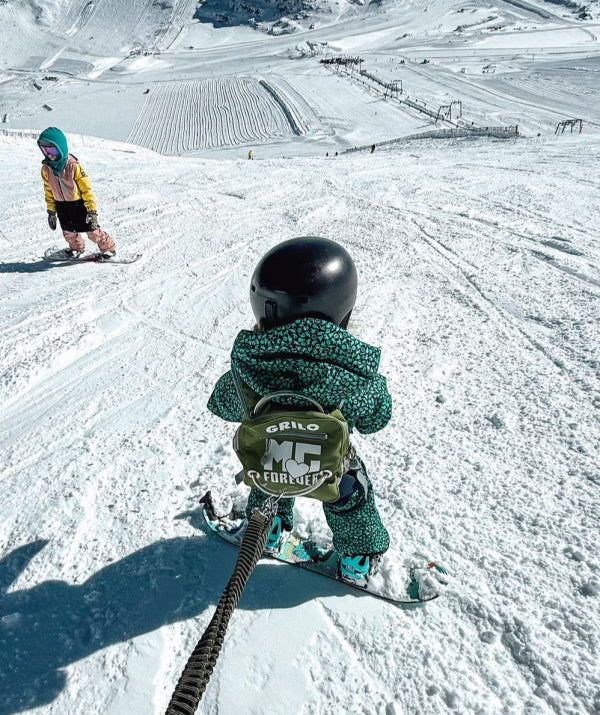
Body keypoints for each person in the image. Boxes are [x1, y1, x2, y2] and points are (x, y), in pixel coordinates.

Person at [207, 237, 391, 583]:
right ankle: (359, 559)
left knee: (266, 482)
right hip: (330, 471)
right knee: (353, 498)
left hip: (270, 464)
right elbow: (377, 416)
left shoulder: (247, 366)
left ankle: (268, 528)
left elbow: (223, 403)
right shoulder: (351, 373)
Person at [38, 127, 116, 259]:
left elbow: (86, 189)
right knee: (68, 232)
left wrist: (92, 211)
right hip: (61, 205)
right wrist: (51, 211)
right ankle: (76, 249)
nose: (49, 154)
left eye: (52, 149)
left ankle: (109, 249)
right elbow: (48, 191)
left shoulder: (73, 166)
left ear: (61, 148)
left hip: (78, 204)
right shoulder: (46, 169)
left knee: (92, 232)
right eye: (45, 150)